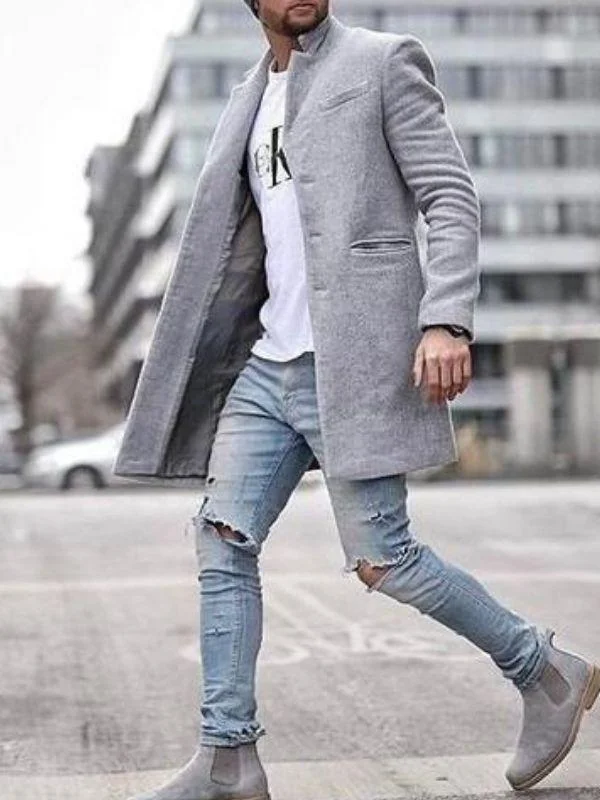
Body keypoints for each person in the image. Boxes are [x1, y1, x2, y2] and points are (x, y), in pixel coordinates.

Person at [117, 2, 599, 798]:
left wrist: (446, 318)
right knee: (222, 538)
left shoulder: (383, 60)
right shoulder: (245, 99)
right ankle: (228, 757)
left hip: (359, 361)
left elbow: (450, 195)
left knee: (384, 558)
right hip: (267, 365)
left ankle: (543, 669)